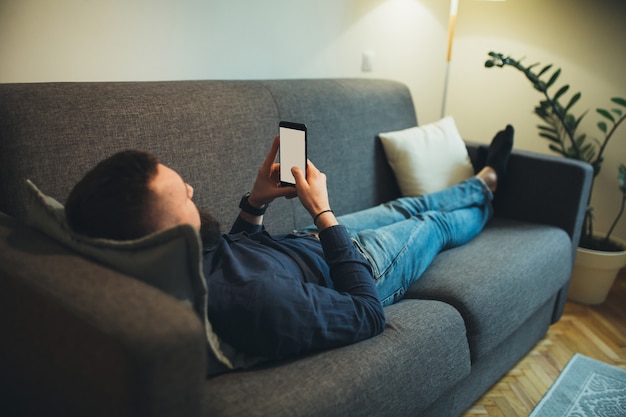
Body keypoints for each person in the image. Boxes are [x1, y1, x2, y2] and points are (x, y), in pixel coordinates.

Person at [65, 125, 514, 360]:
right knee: (432, 225)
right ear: (160, 235)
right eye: (179, 195)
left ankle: (482, 182)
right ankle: (489, 196)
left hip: (315, 240)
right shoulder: (251, 303)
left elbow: (235, 257)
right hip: (358, 267)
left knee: (402, 207)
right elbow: (367, 314)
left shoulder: (180, 259)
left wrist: (256, 203)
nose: (191, 191)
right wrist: (322, 213)